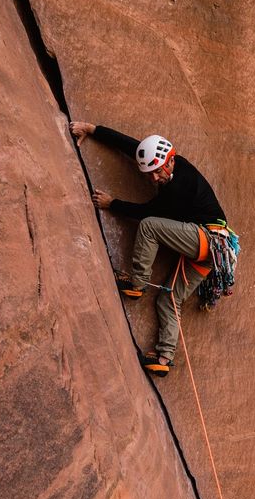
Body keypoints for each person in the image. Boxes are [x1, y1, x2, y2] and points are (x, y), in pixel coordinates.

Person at [70, 120, 228, 376]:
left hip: (207, 239)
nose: (154, 178)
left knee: (149, 226)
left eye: (157, 172)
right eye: (150, 173)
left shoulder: (178, 187)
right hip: (212, 253)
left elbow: (148, 213)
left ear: (170, 161)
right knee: (169, 299)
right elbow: (131, 146)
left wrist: (112, 204)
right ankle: (163, 359)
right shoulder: (168, 162)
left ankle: (137, 284)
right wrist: (92, 129)